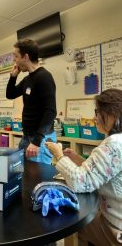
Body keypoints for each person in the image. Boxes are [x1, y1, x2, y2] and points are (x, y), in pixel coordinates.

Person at [46, 88, 122, 246]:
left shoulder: (113, 144)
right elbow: (104, 171)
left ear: (113, 114)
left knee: (73, 222)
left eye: (97, 112)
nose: (95, 117)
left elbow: (81, 182)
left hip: (117, 229)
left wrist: (58, 154)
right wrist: (77, 158)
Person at [6, 39, 57, 164]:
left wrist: (37, 141)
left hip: (40, 139)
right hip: (27, 137)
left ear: (26, 57)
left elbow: (50, 111)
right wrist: (13, 77)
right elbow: (10, 94)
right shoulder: (28, 79)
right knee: (21, 173)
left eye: (16, 56)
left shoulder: (44, 77)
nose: (14, 60)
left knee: (38, 180)